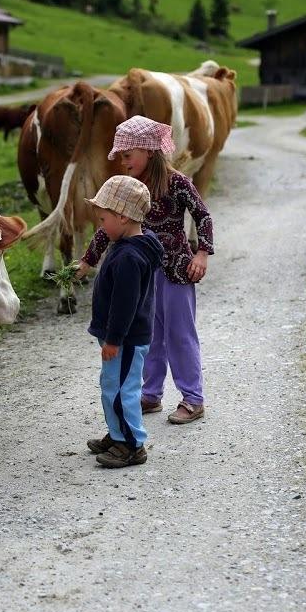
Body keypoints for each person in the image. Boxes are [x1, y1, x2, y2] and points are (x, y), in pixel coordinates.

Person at [77, 116, 214, 425]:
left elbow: (202, 215)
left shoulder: (176, 182)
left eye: (127, 155)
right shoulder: (129, 188)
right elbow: (109, 226)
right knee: (148, 335)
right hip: (143, 275)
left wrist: (202, 254)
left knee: (180, 335)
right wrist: (88, 260)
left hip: (178, 270)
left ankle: (193, 399)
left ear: (148, 151)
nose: (124, 163)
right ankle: (150, 394)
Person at [83, 175, 164, 468]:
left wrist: (114, 339)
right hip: (121, 338)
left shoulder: (130, 256)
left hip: (125, 339)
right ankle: (118, 433)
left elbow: (125, 304)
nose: (101, 225)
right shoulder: (132, 242)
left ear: (123, 217)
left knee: (121, 389)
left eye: (104, 218)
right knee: (112, 384)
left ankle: (131, 445)